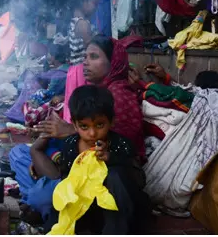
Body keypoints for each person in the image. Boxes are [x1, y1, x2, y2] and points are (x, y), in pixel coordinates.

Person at [33, 85, 148, 234]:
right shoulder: (70, 145)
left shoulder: (121, 144)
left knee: (114, 175)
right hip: (87, 212)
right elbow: (66, 181)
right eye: (84, 126)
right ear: (74, 125)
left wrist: (110, 158)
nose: (92, 133)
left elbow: (139, 179)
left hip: (118, 212)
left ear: (111, 121)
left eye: (100, 125)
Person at [68, 0, 99, 66]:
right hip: (83, 69)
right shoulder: (82, 23)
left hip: (77, 68)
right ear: (84, 3)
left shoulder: (74, 21)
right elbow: (92, 48)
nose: (95, 7)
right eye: (94, 3)